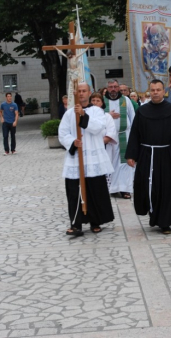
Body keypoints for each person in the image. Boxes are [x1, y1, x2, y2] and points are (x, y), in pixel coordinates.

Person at [125, 79, 171, 235]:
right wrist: (131, 155)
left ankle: (165, 221)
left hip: (166, 154)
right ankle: (153, 215)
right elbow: (135, 134)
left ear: (163, 91)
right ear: (149, 91)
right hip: (147, 154)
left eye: (158, 90)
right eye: (153, 90)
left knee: (166, 188)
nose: (155, 92)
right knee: (150, 187)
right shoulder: (142, 111)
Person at [59, 82, 115, 236]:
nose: (82, 94)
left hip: (93, 159)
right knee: (74, 192)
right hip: (76, 158)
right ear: (75, 93)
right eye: (79, 91)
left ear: (90, 93)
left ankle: (95, 222)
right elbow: (62, 133)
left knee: (95, 191)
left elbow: (97, 128)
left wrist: (83, 115)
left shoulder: (97, 111)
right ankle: (76, 224)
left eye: (84, 91)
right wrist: (72, 142)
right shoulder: (69, 113)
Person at [104, 79, 136, 199]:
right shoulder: (102, 101)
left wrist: (134, 136)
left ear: (118, 88)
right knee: (110, 163)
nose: (113, 89)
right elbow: (96, 117)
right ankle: (112, 188)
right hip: (109, 138)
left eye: (115, 87)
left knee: (124, 164)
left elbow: (133, 117)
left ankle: (124, 189)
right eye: (111, 87)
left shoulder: (126, 100)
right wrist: (108, 115)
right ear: (107, 88)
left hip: (124, 136)